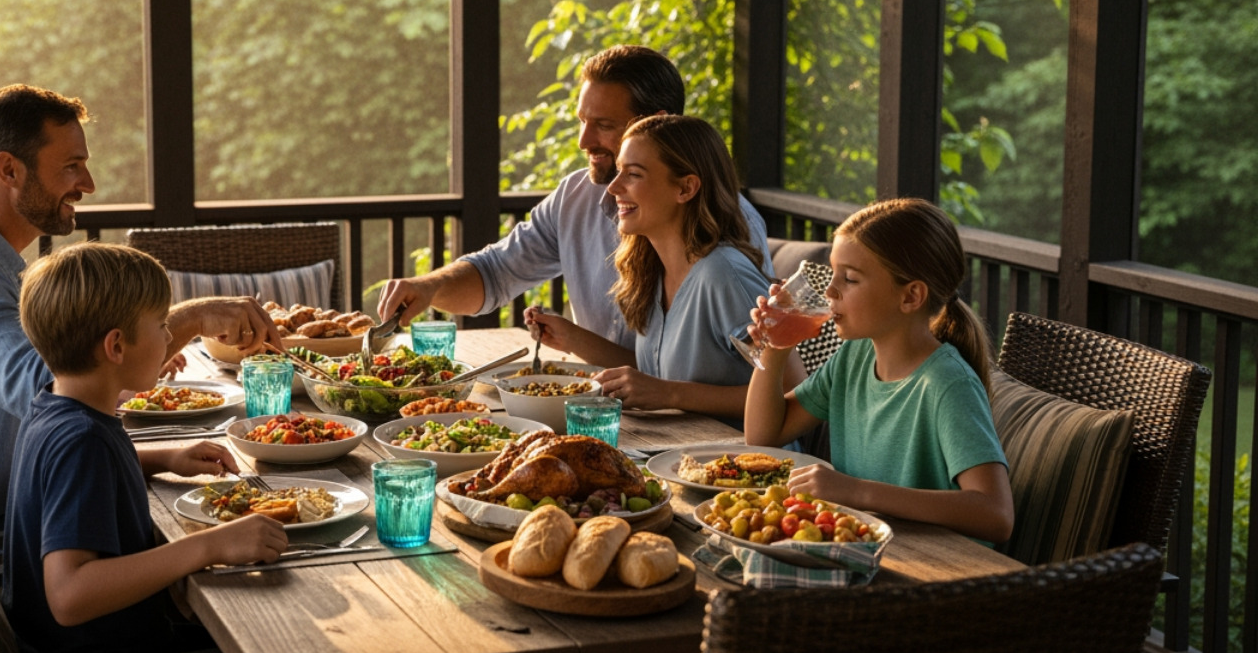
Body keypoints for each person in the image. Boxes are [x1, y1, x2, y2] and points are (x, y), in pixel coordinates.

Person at [0, 84, 283, 537]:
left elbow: (48, 421)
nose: (87, 185)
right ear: (8, 169)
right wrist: (191, 320)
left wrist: (158, 458)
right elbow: (54, 391)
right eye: (72, 167)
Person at [4, 241, 288, 653]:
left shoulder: (59, 409)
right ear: (116, 347)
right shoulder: (82, 440)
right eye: (160, 327)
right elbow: (69, 595)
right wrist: (209, 546)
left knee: (275, 639)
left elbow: (75, 481)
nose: (168, 337)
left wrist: (163, 457)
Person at [378, 45, 772, 347]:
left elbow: (764, 377)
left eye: (603, 125)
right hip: (617, 411)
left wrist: (660, 392)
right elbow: (497, 271)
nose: (584, 141)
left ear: (656, 122)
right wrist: (428, 287)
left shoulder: (724, 230)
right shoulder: (576, 196)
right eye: (583, 121)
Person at [743, 198, 1014, 543]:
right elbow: (763, 436)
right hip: (868, 554)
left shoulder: (947, 384)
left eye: (850, 279)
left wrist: (856, 491)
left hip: (938, 574)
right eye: (833, 272)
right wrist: (777, 346)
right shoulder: (854, 357)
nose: (829, 291)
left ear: (911, 296)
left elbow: (996, 515)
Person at [526, 114, 799, 418]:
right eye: (619, 171)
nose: (613, 188)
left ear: (685, 188)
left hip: (749, 462)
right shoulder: (653, 270)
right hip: (674, 454)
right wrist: (570, 338)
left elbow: (793, 391)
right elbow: (655, 374)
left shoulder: (722, 275)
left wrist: (669, 394)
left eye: (633, 174)